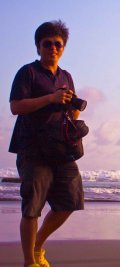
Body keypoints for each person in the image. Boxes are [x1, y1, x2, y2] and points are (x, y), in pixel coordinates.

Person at [9, 20, 84, 267]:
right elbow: (16, 106)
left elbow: (71, 116)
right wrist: (50, 97)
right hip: (32, 149)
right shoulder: (28, 72)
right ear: (38, 46)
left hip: (60, 149)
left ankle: (38, 245)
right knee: (32, 207)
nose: (53, 47)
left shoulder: (66, 76)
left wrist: (73, 109)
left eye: (58, 44)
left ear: (63, 47)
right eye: (47, 43)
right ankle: (30, 262)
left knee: (69, 202)